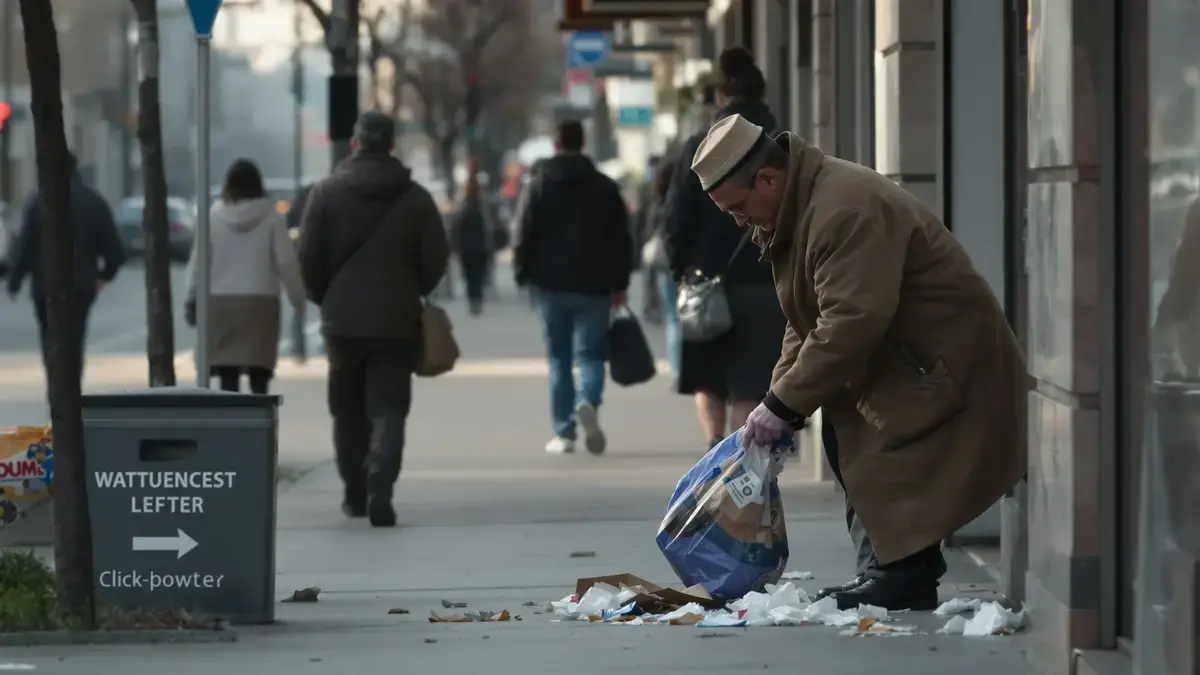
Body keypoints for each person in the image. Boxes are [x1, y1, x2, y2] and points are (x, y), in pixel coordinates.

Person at [689, 112, 1027, 611]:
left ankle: (899, 576)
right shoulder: (802, 206)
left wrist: (782, 404)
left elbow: (850, 322)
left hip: (941, 361)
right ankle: (890, 572)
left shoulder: (842, 209)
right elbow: (805, 318)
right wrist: (778, 400)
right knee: (857, 445)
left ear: (767, 178)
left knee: (885, 454)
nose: (739, 222)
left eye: (738, 208)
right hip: (905, 359)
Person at [298, 111, 450, 527]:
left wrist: (322, 295)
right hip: (397, 320)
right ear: (391, 145)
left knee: (347, 411)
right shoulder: (415, 198)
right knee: (390, 408)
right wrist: (413, 287)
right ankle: (382, 481)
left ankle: (354, 491)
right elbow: (436, 257)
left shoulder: (325, 194)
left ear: (354, 143)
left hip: (342, 323)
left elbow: (308, 257)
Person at [663, 46, 788, 450]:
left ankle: (715, 448)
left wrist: (680, 270)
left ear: (720, 98)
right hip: (764, 282)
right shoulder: (781, 145)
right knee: (751, 385)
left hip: (705, 281)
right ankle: (739, 461)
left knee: (710, 379)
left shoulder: (698, 148)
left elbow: (675, 220)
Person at [513, 120, 633, 455]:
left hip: (550, 285)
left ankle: (564, 433)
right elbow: (621, 239)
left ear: (555, 145)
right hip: (594, 285)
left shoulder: (537, 184)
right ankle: (589, 401)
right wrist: (620, 282)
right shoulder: (605, 187)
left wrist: (523, 273)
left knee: (558, 359)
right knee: (591, 355)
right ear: (583, 144)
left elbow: (523, 232)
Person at [185, 158, 306, 394]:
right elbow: (286, 263)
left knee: (227, 375)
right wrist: (298, 299)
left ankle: (231, 426)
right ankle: (259, 425)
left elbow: (198, 263)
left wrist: (191, 297)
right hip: (261, 304)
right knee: (259, 373)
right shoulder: (273, 219)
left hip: (220, 303)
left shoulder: (212, 218)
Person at [5, 152, 126, 385]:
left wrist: (15, 281)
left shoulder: (37, 202)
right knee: (74, 340)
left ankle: (56, 390)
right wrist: (103, 276)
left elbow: (25, 248)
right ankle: (71, 390)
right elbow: (115, 252)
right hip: (80, 286)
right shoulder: (93, 201)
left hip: (45, 286)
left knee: (51, 339)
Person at [641, 158, 680, 377]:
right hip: (683, 265)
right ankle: (685, 369)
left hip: (663, 264)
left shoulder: (657, 204)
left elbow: (647, 235)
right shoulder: (685, 201)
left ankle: (676, 369)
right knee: (686, 318)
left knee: (673, 318)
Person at [450, 175, 494, 315]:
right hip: (481, 247)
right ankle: (477, 299)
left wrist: (455, 246)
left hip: (466, 248)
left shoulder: (462, 206)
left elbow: (455, 229)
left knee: (469, 276)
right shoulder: (484, 206)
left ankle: (473, 300)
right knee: (478, 275)